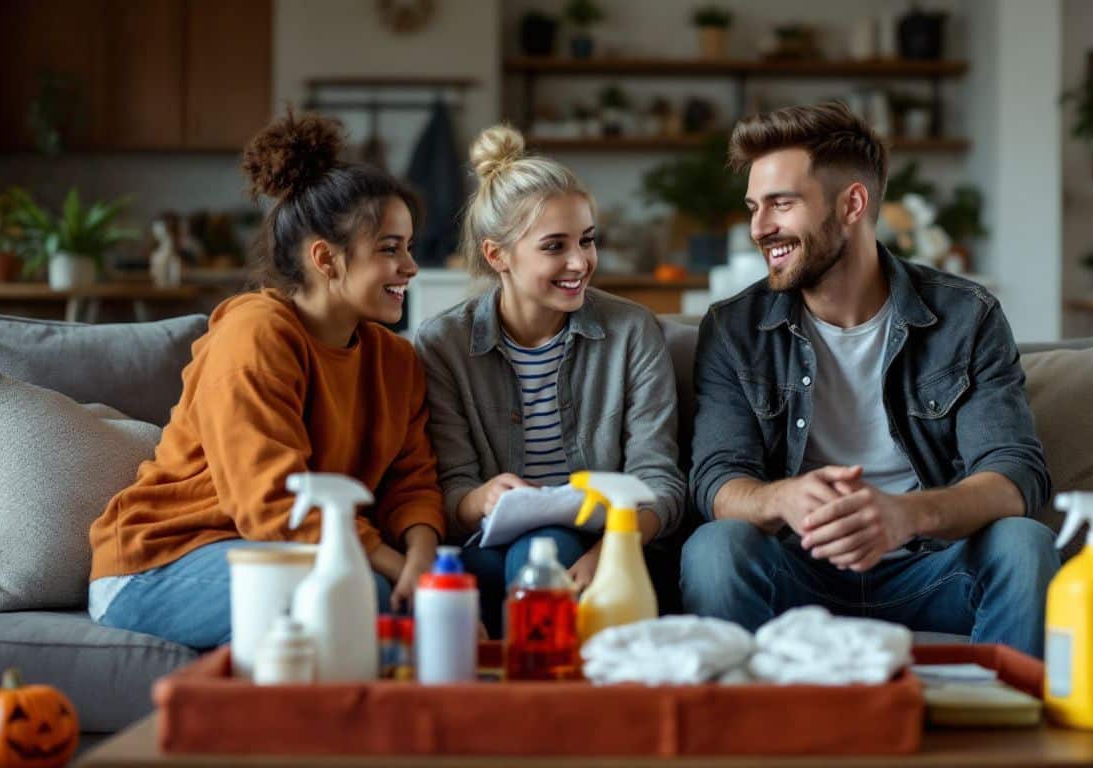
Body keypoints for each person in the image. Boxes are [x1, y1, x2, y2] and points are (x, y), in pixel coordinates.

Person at [681, 102, 1058, 657]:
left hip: (929, 571)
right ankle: (750, 735)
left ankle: (998, 730)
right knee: (716, 548)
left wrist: (906, 515)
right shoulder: (735, 329)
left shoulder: (965, 316)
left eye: (781, 204)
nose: (760, 228)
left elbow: (1014, 475)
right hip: (797, 572)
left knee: (1025, 545)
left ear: (852, 203)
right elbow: (716, 481)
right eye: (754, 207)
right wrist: (782, 498)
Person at [87, 112, 445, 648]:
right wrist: (394, 568)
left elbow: (411, 482)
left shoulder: (395, 360)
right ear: (326, 258)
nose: (411, 266)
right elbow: (272, 502)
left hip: (289, 551)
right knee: (358, 596)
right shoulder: (256, 334)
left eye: (409, 247)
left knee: (422, 603)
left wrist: (423, 562)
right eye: (390, 249)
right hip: (158, 564)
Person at [414, 124, 685, 637]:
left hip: (608, 547)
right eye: (554, 246)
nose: (580, 263)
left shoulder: (632, 332)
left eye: (586, 241)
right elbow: (449, 489)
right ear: (498, 257)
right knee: (491, 567)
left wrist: (610, 552)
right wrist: (483, 498)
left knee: (547, 551)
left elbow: (661, 483)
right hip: (489, 553)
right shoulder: (443, 345)